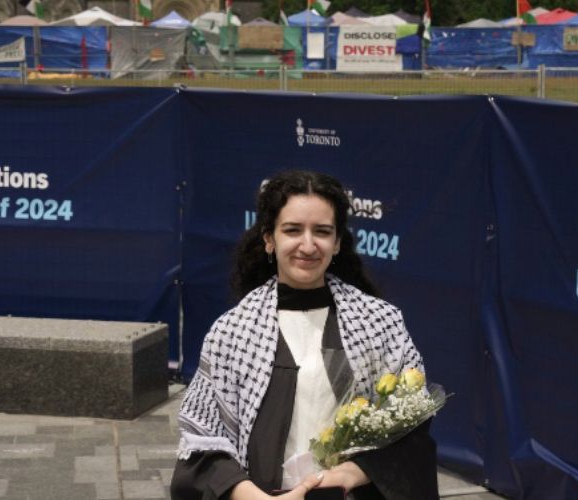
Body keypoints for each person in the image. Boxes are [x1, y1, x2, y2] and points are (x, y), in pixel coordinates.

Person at [171, 170, 439, 500]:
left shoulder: (380, 322)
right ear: (269, 238)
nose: (308, 245)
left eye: (322, 232)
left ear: (338, 241)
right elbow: (202, 440)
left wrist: (354, 472)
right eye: (293, 230)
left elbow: (412, 425)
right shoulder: (231, 331)